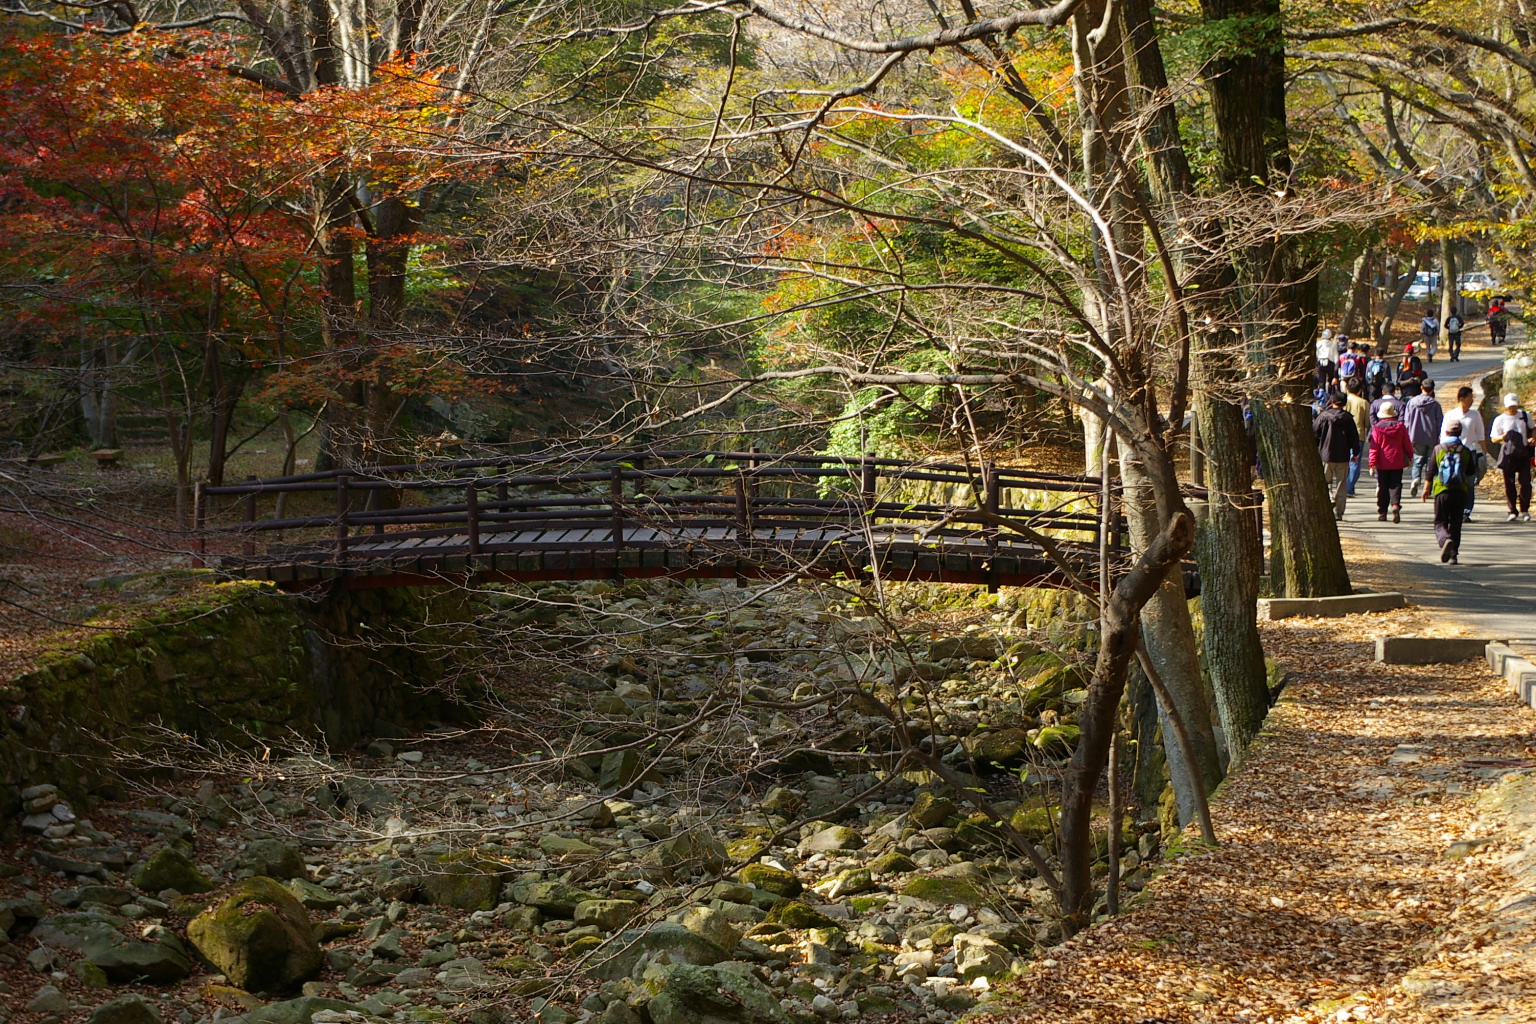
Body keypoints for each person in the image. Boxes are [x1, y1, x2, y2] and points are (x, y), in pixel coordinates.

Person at [1423, 421, 1474, 562]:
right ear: (1460, 433)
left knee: (1440, 521)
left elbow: (1431, 470)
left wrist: (1426, 488)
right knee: (1456, 523)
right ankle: (1454, 555)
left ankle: (1445, 540)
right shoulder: (1465, 450)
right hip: (1460, 491)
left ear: (1446, 432)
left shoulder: (1438, 449)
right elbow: (1471, 471)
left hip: (1442, 490)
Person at [1442, 385, 1487, 520]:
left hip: (1469, 452)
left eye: (1472, 397)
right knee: (1453, 482)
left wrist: (1484, 454)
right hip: (1453, 453)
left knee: (1469, 483)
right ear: (1461, 399)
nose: (1472, 400)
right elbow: (1443, 435)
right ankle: (1453, 509)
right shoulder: (1451, 415)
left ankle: (1466, 511)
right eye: (1469, 397)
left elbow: (1480, 435)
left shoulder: (1475, 415)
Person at [1315, 391, 1360, 520]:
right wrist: (1355, 453)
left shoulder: (1324, 416)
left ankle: (1327, 504)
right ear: (1345, 404)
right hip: (1343, 456)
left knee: (1324, 483)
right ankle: (1339, 512)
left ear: (1332, 401)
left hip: (1325, 455)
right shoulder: (1348, 419)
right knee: (1341, 485)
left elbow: (1315, 432)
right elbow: (1354, 438)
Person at [1368, 400, 1414, 522]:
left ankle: (1382, 512)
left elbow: (1374, 447)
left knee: (1383, 487)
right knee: (1396, 484)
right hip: (1397, 460)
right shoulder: (1401, 427)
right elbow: (1407, 444)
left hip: (1382, 462)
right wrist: (1410, 456)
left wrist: (1372, 463)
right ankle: (1395, 505)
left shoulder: (1377, 429)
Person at [1490, 392, 1533, 522]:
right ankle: (1512, 510)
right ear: (1505, 406)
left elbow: (1533, 428)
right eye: (1510, 407)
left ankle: (1525, 510)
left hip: (1524, 453)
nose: (1512, 409)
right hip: (1508, 455)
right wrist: (1502, 437)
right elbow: (1493, 439)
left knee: (1525, 483)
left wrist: (1533, 438)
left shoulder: (1525, 416)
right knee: (1509, 484)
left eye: (1514, 406)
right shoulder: (1500, 419)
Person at [1404, 379, 1443, 497]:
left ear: (1421, 388)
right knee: (1430, 463)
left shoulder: (1412, 402)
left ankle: (1415, 478)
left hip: (1416, 436)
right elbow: (1440, 423)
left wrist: (1408, 436)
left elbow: (1407, 421)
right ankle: (1428, 487)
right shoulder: (1435, 405)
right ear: (1432, 390)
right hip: (1432, 437)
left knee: (1417, 461)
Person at [1344, 381, 1372, 497]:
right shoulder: (1364, 403)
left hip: (1343, 435)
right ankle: (1349, 488)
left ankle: (1345, 486)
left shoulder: (1343, 400)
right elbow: (1368, 423)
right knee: (1355, 461)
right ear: (1360, 390)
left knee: (1344, 462)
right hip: (1358, 434)